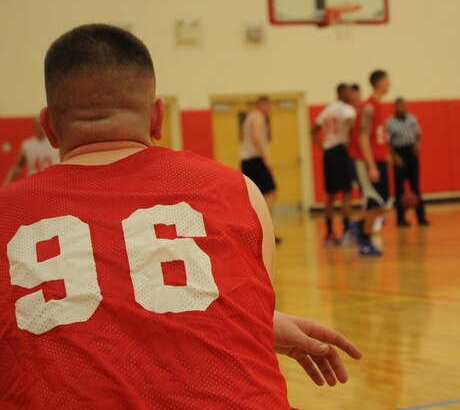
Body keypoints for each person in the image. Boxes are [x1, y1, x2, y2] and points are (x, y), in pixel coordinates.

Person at [0, 24, 361, 408]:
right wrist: (254, 321)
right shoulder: (238, 192)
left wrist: (257, 321)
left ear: (50, 127)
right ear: (158, 117)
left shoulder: (9, 210)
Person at [349, 70, 390, 256]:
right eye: (387, 80)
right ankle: (364, 241)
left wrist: (385, 155)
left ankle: (357, 227)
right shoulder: (369, 107)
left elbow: (376, 137)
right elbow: (363, 138)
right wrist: (371, 165)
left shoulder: (379, 105)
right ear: (379, 82)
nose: (390, 84)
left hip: (378, 159)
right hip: (366, 163)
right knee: (375, 204)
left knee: (381, 204)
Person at [311, 83, 357, 246]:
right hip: (340, 150)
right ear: (342, 92)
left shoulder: (328, 110)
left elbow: (313, 130)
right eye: (350, 91)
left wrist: (323, 146)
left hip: (329, 152)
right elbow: (352, 123)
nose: (352, 94)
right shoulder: (347, 109)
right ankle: (346, 233)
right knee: (346, 193)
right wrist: (349, 139)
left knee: (330, 195)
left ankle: (329, 234)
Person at [240, 96, 282, 243]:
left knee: (256, 197)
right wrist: (266, 159)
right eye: (269, 106)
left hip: (248, 160)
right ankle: (265, 230)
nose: (270, 109)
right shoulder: (258, 117)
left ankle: (257, 230)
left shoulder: (249, 117)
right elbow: (257, 138)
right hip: (255, 160)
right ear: (262, 105)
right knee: (271, 193)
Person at [386, 98, 429, 226]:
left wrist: (418, 144)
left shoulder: (412, 119)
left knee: (415, 186)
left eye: (403, 105)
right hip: (399, 153)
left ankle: (421, 217)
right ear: (395, 107)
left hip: (411, 153)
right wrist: (394, 157)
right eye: (399, 105)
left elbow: (418, 134)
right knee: (400, 189)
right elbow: (388, 142)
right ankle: (400, 219)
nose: (402, 107)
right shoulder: (389, 122)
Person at [1, 117, 60, 187]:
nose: (39, 128)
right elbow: (17, 167)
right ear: (33, 127)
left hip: (52, 182)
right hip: (34, 183)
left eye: (41, 125)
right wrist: (6, 183)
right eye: (37, 125)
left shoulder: (56, 142)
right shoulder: (27, 145)